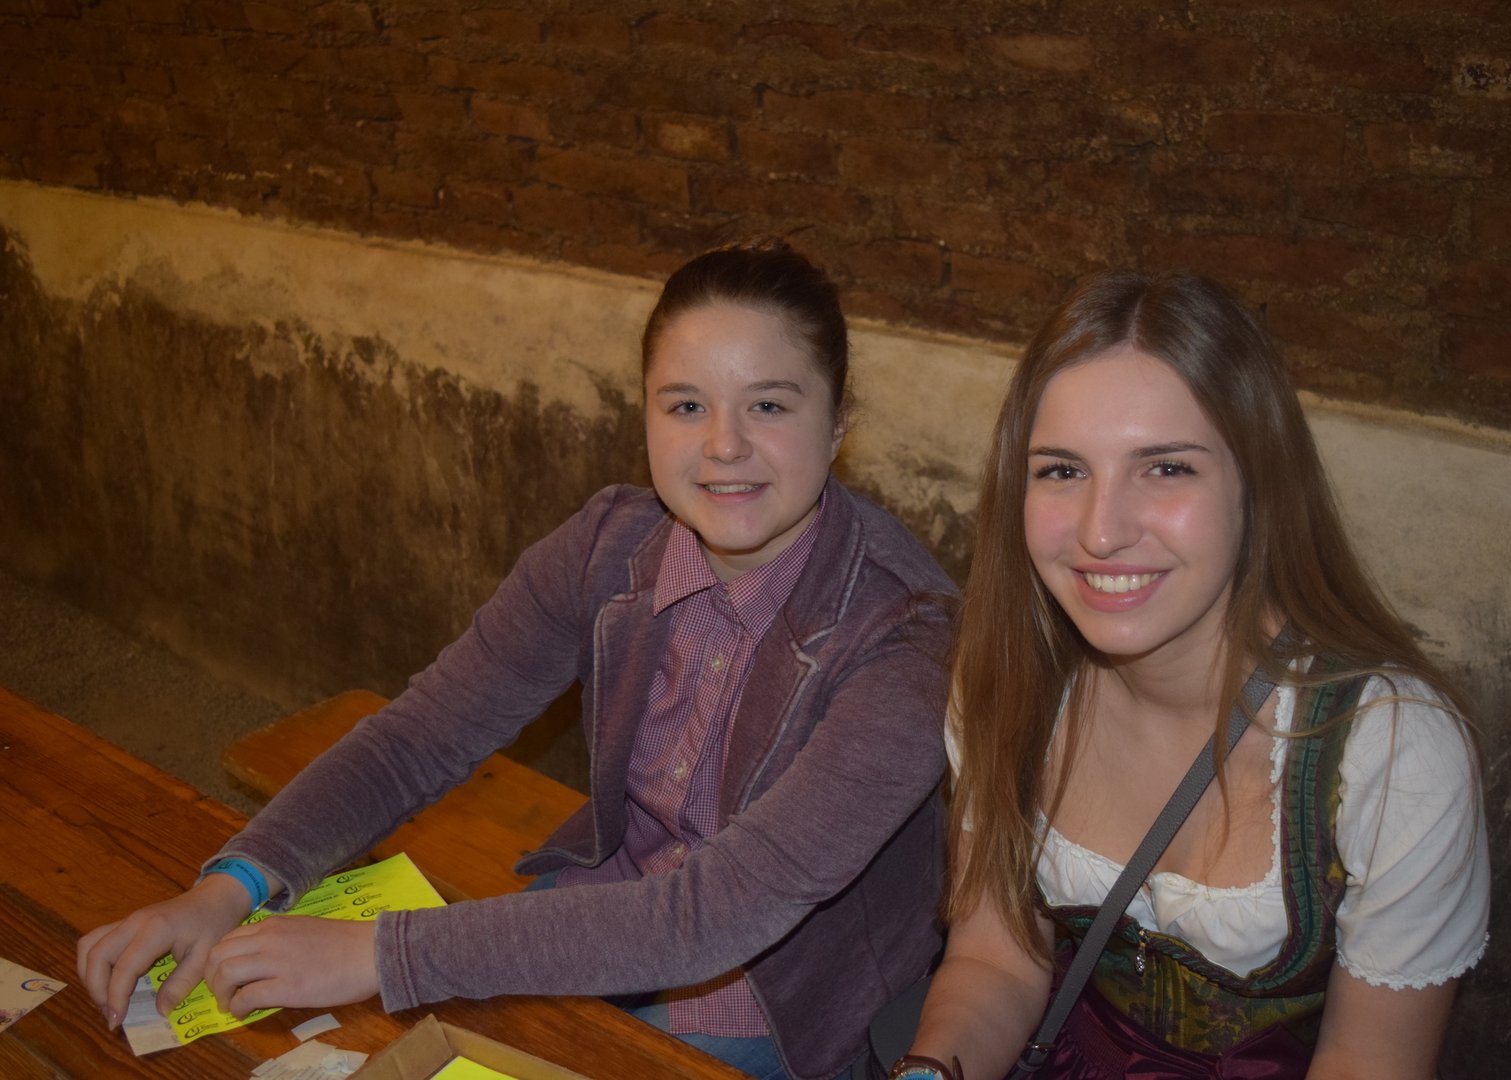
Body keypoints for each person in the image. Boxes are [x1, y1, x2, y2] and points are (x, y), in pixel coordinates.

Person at [78, 239, 956, 1080]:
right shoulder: (608, 546)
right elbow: (419, 737)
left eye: (769, 405)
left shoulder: (909, 638)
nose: (724, 445)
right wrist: (231, 885)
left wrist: (384, 953)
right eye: (686, 405)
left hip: (780, 996)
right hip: (611, 902)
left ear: (839, 423)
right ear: (645, 414)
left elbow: (712, 918)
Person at [888, 271, 1488, 1080]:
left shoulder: (1390, 749)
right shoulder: (1005, 675)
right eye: (1062, 470)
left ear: (1259, 484)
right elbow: (996, 959)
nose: (1102, 532)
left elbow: (1366, 1058)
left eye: (1166, 468)